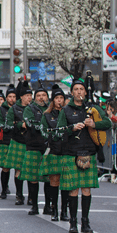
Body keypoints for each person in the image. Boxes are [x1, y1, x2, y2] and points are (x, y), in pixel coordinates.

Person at [56, 78, 112, 233]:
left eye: (81, 89)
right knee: (73, 190)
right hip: (71, 153)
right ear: (72, 92)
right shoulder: (66, 110)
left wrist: (94, 125)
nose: (79, 91)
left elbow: (108, 123)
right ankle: (73, 222)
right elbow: (58, 131)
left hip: (88, 152)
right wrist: (71, 128)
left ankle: (85, 222)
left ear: (85, 92)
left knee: (86, 189)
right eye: (76, 89)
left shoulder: (93, 108)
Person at [41, 86, 68, 222]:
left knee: (65, 182)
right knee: (54, 181)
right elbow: (44, 132)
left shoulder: (68, 113)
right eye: (57, 98)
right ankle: (54, 210)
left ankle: (64, 211)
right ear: (53, 100)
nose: (59, 100)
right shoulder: (47, 115)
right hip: (54, 150)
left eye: (61, 98)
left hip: (66, 151)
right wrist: (52, 136)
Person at [21, 84, 48, 216]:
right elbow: (30, 123)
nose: (41, 97)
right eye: (38, 95)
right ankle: (34, 205)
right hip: (33, 144)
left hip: (49, 146)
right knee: (33, 177)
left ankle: (49, 205)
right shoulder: (29, 109)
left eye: (43, 95)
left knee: (49, 177)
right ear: (34, 98)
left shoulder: (51, 109)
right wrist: (45, 126)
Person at [0, 86, 17, 200]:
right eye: (10, 97)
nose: (12, 99)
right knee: (5, 168)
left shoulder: (20, 108)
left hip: (16, 140)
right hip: (5, 141)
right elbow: (3, 126)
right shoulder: (1, 110)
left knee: (17, 168)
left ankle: (19, 194)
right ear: (7, 98)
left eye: (14, 96)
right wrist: (15, 124)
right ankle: (3, 189)